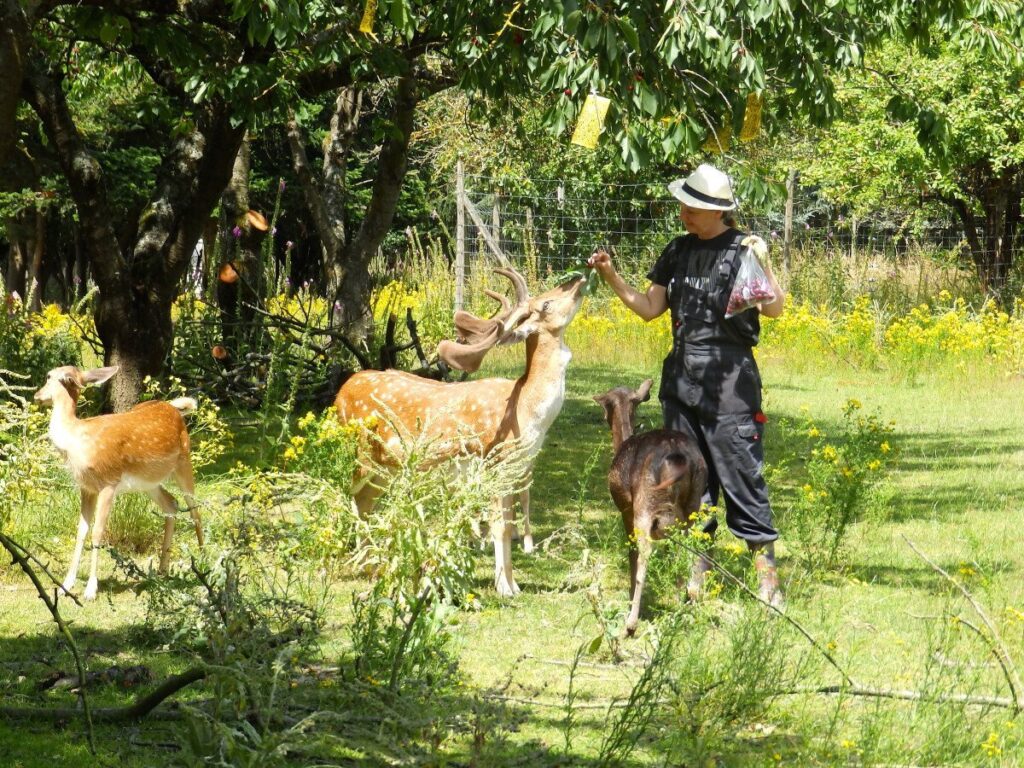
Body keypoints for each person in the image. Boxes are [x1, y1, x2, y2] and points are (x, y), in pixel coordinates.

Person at [587, 163, 787, 608]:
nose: (684, 213)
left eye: (693, 207)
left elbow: (774, 311)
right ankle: (693, 582)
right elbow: (648, 308)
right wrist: (611, 276)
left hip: (730, 381)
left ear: (718, 212)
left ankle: (768, 584)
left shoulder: (743, 250)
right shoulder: (676, 251)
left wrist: (765, 265)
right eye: (684, 204)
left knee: (741, 476)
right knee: (687, 480)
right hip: (680, 380)